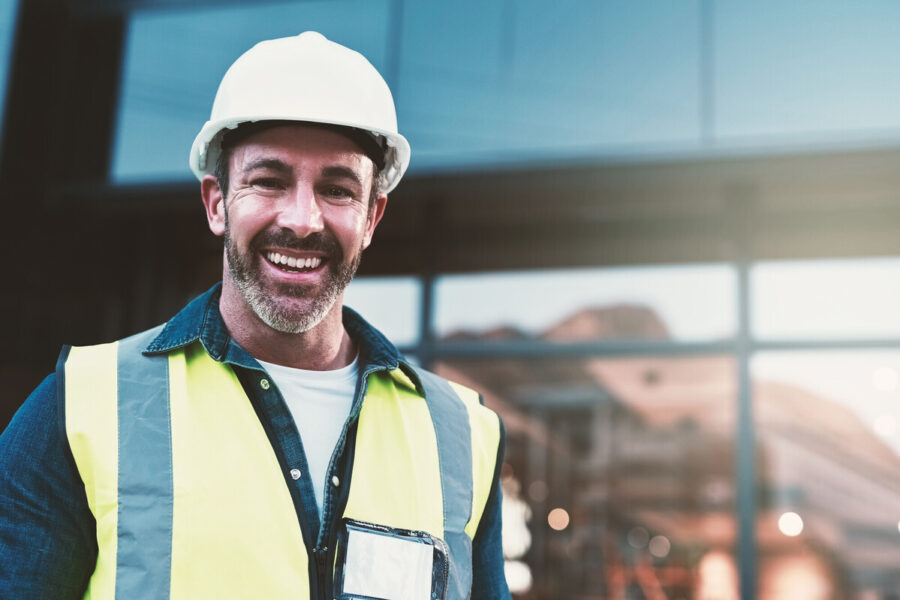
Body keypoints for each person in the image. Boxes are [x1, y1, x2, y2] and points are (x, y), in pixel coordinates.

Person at [0, 32, 510, 600]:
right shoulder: (80, 408)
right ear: (217, 201)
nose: (302, 219)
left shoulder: (464, 436)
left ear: (372, 217)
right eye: (269, 181)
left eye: (338, 189)